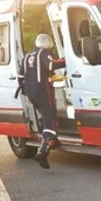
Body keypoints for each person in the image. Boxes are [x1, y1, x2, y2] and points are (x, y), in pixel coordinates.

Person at [19, 34, 66, 168]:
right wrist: (67, 60)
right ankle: (43, 151)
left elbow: (21, 75)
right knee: (50, 117)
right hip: (43, 90)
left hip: (30, 91)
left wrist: (25, 90)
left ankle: (54, 140)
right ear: (47, 43)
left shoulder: (28, 55)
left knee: (46, 115)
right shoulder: (43, 52)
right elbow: (51, 65)